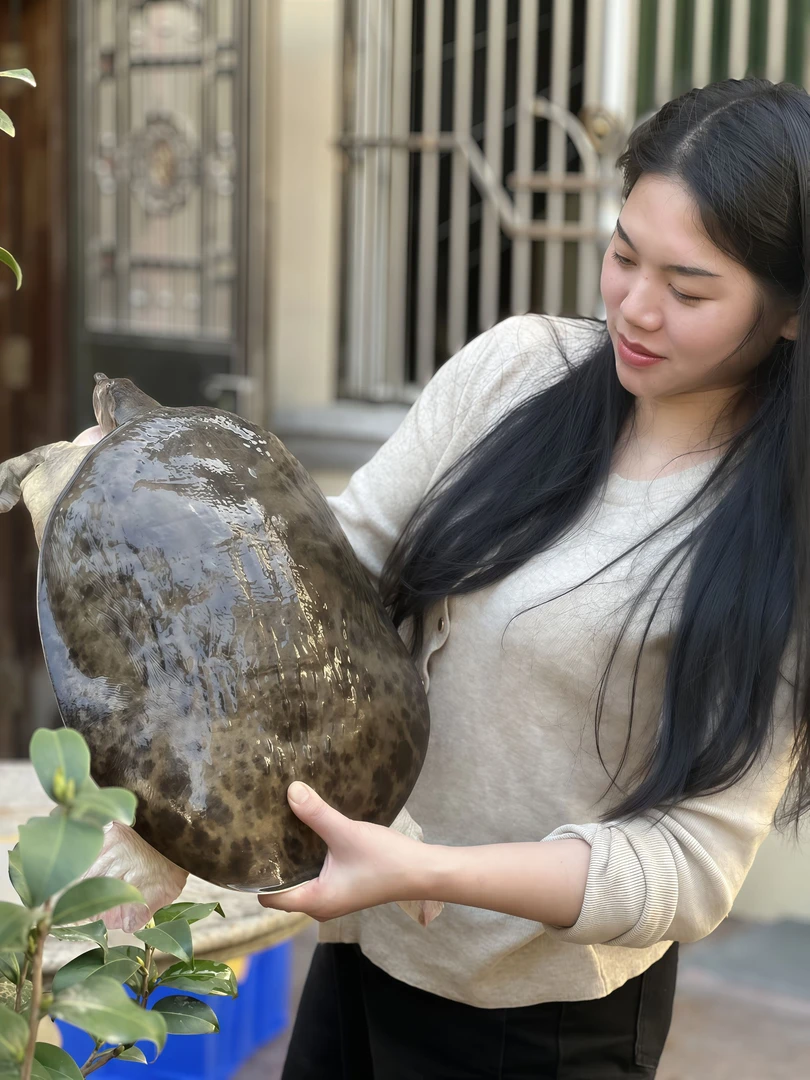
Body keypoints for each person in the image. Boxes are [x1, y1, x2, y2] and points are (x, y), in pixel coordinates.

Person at [72, 77, 808, 1077]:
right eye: (623, 255)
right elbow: (326, 575)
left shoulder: (775, 539)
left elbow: (692, 865)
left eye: (688, 289)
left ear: (791, 312)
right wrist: (148, 504)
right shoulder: (516, 373)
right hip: (365, 953)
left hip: (542, 1023)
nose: (636, 306)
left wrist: (424, 868)